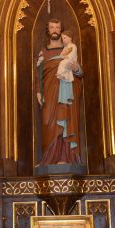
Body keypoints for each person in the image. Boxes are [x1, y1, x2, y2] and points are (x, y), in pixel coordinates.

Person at [35, 19, 82, 166]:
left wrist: (76, 68)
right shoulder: (43, 51)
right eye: (52, 27)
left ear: (61, 31)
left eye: (57, 27)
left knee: (66, 121)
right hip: (49, 92)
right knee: (48, 122)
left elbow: (79, 72)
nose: (55, 30)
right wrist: (38, 91)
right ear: (48, 30)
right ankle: (49, 159)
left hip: (66, 91)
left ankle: (66, 157)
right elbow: (38, 74)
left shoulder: (69, 48)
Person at [56, 30, 78, 105]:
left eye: (65, 38)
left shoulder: (73, 46)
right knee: (62, 64)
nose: (63, 40)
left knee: (62, 63)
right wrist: (63, 53)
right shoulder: (66, 47)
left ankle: (61, 74)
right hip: (67, 62)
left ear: (70, 38)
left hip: (71, 61)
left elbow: (71, 55)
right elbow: (61, 55)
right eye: (62, 38)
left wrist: (65, 56)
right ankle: (64, 98)